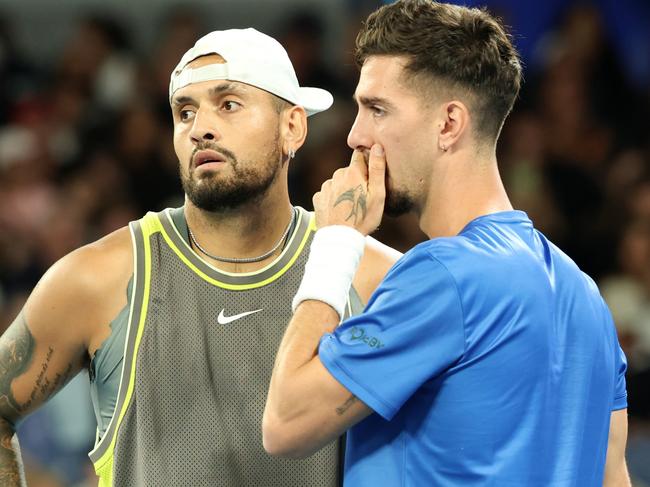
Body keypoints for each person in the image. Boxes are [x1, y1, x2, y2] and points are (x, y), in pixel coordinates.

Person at [0, 28, 401, 486]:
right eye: (184, 112)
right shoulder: (100, 277)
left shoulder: (376, 277)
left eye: (228, 104)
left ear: (293, 126)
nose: (200, 128)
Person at [263, 1, 631, 486]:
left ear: (449, 123)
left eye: (377, 109)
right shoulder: (586, 296)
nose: (355, 135)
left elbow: (285, 424)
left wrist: (336, 242)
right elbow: (614, 477)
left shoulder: (445, 274)